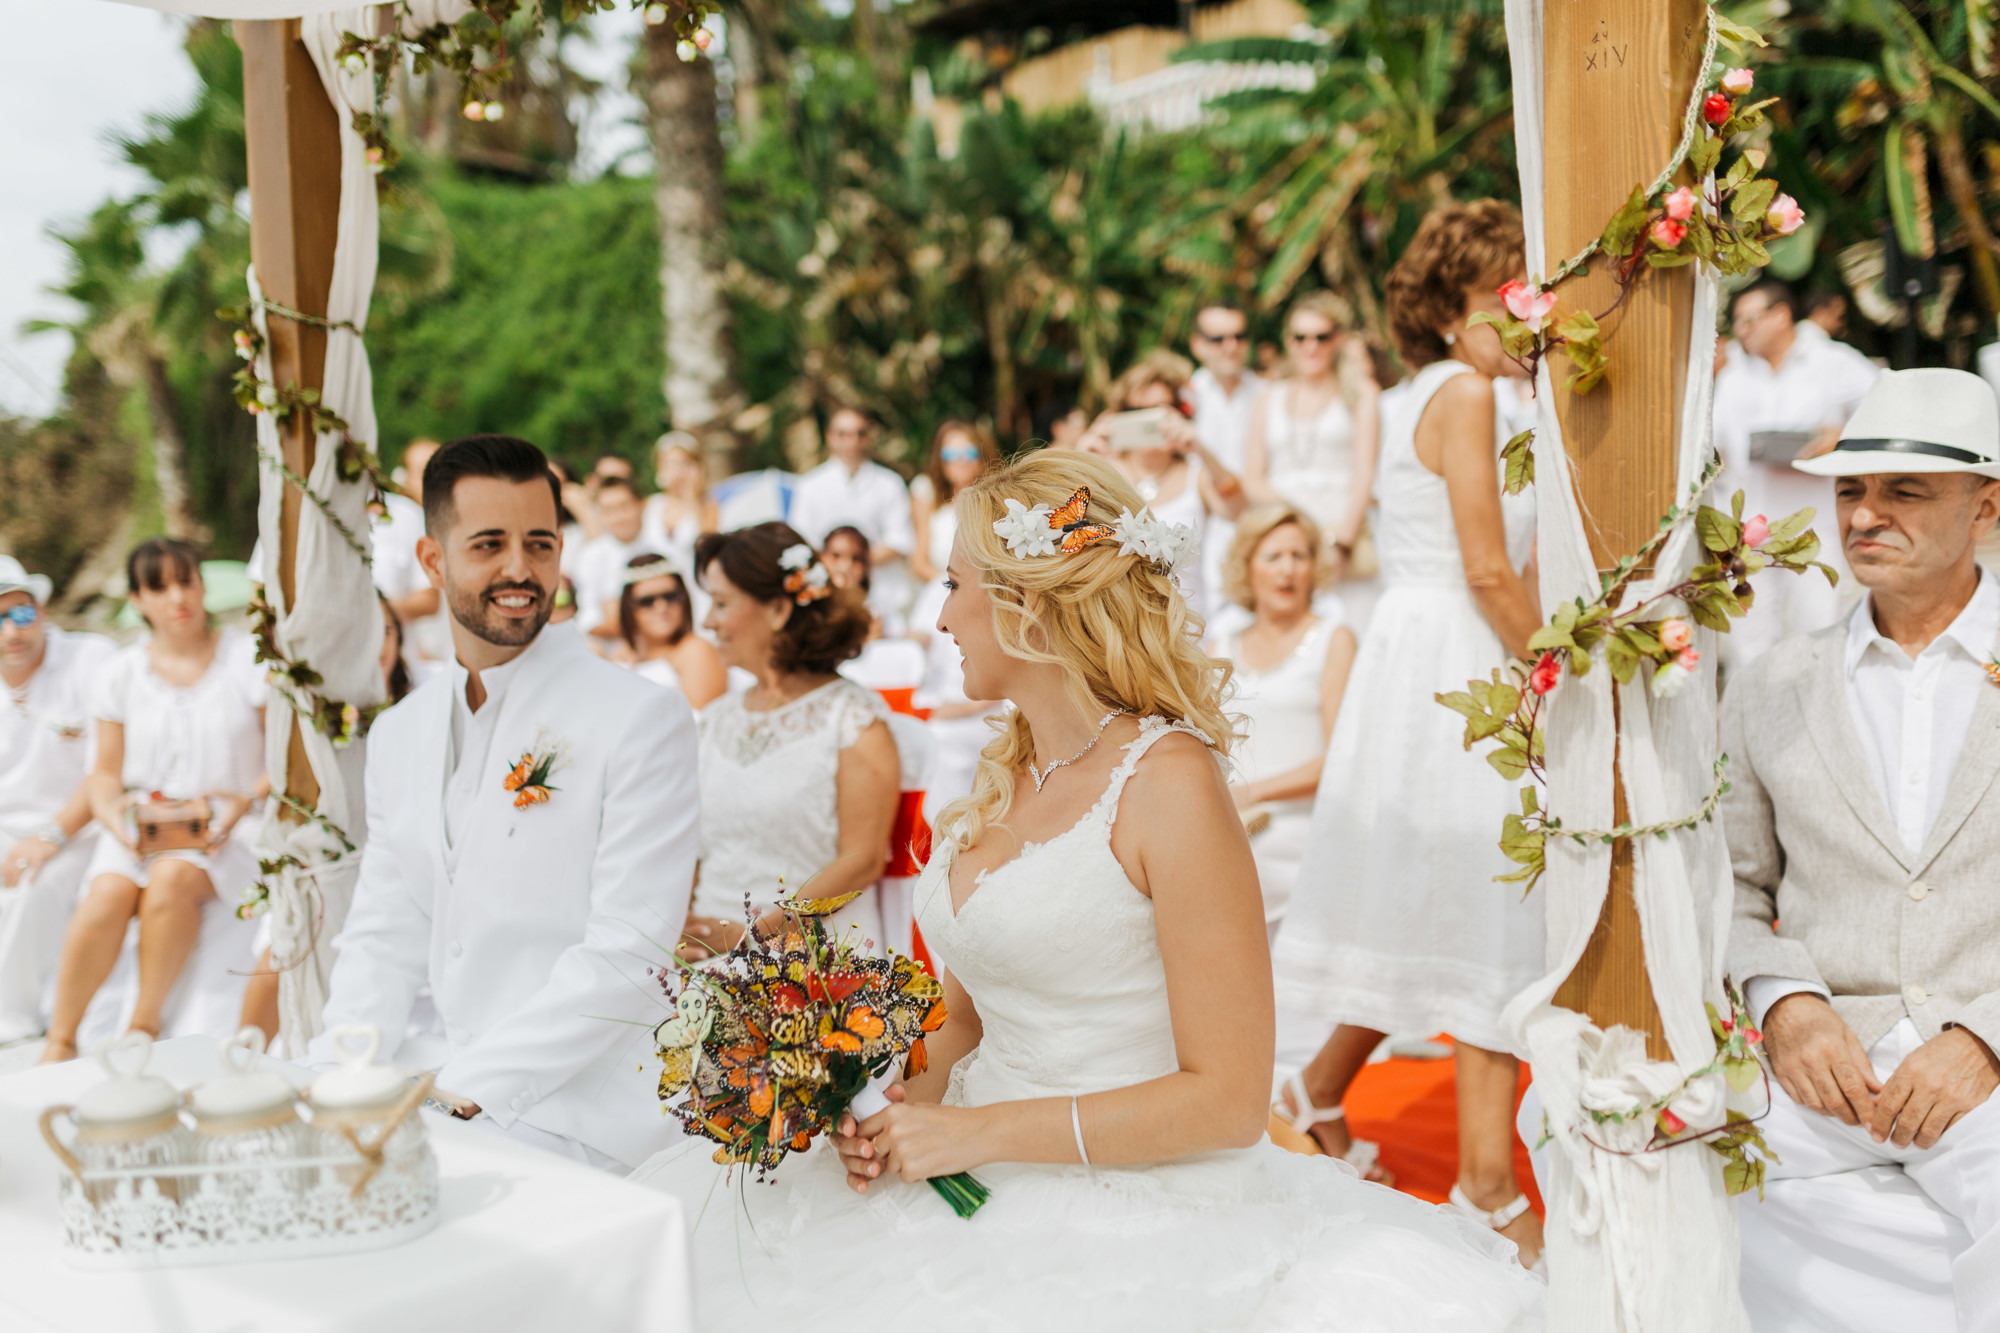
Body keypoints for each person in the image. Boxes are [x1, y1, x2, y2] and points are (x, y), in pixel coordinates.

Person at [630, 450, 1545, 1329]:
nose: (940, 617)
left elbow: (1227, 1100)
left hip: (1138, 1205)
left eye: (955, 585)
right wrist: (875, 1100)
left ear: (1025, 602)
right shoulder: (1001, 771)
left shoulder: (1169, 782)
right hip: (971, 1157)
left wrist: (978, 1134)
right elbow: (967, 1020)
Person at [306, 435, 699, 1172]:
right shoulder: (400, 733)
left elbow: (628, 955)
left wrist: (457, 1093)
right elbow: (385, 933)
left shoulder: (640, 717)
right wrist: (339, 1069)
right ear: (432, 559)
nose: (520, 569)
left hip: (591, 1117)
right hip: (447, 1084)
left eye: (539, 543)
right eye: (489, 543)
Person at [1270, 201, 1544, 1258]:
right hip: (1458, 652)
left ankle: (1319, 1085)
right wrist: (1559, 675)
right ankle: (1484, 1184)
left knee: (1432, 897)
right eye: (1505, 292)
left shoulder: (1427, 393)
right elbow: (1485, 567)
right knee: (1485, 901)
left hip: (1420, 649)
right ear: (1449, 307)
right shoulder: (1467, 392)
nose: (1527, 310)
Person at [1724, 368, 2000, 1331]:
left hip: (1988, 1071)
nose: (1864, 516)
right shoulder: (1770, 683)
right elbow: (1729, 881)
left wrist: (1987, 1037)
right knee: (1617, 1132)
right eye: (1850, 489)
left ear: (1986, 507)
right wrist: (1785, 1002)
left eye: (1903, 490)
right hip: (1816, 1074)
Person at [42, 541, 268, 1062]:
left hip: (230, 825)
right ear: (137, 599)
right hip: (139, 823)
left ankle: (143, 1024)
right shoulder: (120, 673)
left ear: (203, 585)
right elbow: (104, 774)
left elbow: (281, 760)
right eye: (160, 587)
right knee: (106, 894)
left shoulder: (246, 658)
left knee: (170, 878)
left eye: (186, 581)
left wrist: (241, 801)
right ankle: (60, 1037)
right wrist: (116, 819)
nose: (178, 598)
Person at [674, 522, 900, 962]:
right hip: (702, 955)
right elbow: (693, 851)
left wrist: (752, 938)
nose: (708, 621)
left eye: (721, 603)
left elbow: (861, 861)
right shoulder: (718, 718)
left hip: (808, 963)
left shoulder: (851, 718)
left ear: (777, 609)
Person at [239, 593, 415, 1043]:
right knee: (285, 940)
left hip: (403, 861)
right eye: (363, 633)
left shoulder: (422, 708)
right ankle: (245, 1051)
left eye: (386, 631)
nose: (375, 643)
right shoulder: (320, 712)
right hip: (333, 854)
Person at [1712, 279, 1880, 668]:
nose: (1741, 330)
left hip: (1813, 525)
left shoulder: (1832, 361)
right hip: (1747, 527)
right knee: (1749, 642)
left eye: (1749, 319)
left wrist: (1843, 437)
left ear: (1781, 315)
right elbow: (1716, 447)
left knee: (1820, 632)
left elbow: (1888, 405)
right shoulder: (1734, 375)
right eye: (1736, 322)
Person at [1213, 506, 1356, 943]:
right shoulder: (1220, 645)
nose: (1288, 570)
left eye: (1299, 555)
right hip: (1228, 823)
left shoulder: (1334, 638)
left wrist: (1250, 794)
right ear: (1247, 567)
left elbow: (1341, 757)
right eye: (1273, 556)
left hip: (1298, 830)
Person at [0, 557, 114, 1044]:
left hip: (84, 827)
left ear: (41, 611)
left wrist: (51, 835)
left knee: (34, 884)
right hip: (10, 826)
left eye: (21, 614)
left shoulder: (92, 660)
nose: (12, 631)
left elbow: (110, 765)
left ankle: (16, 1023)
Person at [1242, 290, 1384, 634]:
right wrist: (1298, 523)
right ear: (1288, 341)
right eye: (1300, 337)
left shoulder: (1362, 394)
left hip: (1342, 541)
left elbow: (1365, 474)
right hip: (1284, 540)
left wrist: (1341, 543)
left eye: (1321, 336)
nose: (1311, 346)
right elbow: (1252, 479)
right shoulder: (1268, 398)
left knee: (1349, 632)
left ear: (1338, 339)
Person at [1076, 350, 1249, 619]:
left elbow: (1238, 511)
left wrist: (1201, 449)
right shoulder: (1104, 474)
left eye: (1161, 410)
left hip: (1188, 619)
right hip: (1122, 619)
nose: (1150, 421)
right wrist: (1079, 458)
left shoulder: (1197, 474)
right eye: (1138, 411)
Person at [788, 406, 918, 628]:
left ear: (868, 437)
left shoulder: (890, 483)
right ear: (830, 437)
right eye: (843, 434)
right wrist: (840, 567)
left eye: (859, 433)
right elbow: (800, 542)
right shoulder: (809, 485)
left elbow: (900, 541)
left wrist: (854, 562)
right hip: (825, 598)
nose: (852, 441)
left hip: (884, 599)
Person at [1187, 299, 1267, 630]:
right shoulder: (1183, 397)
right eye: (1218, 339)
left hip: (1259, 527)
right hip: (1197, 536)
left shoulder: (1269, 394)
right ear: (1197, 345)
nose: (1231, 347)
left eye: (1239, 336)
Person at [614, 554, 725, 708]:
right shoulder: (623, 653)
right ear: (628, 609)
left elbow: (699, 722)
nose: (661, 607)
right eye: (647, 601)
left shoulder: (695, 650)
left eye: (671, 596)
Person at [639, 432, 719, 629]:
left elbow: (709, 546)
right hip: (659, 594)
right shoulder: (650, 505)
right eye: (670, 463)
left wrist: (692, 498)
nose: (676, 470)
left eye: (683, 463)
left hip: (697, 592)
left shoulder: (707, 506)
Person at [909, 420, 1001, 587]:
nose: (961, 461)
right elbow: (919, 563)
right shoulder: (926, 492)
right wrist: (953, 586)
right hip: (940, 588)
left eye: (969, 453)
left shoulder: (996, 500)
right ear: (939, 459)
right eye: (950, 454)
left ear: (982, 457)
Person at [573, 475, 661, 643]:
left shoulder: (664, 548)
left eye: (624, 506)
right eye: (608, 510)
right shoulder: (591, 556)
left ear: (640, 505)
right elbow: (588, 618)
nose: (618, 517)